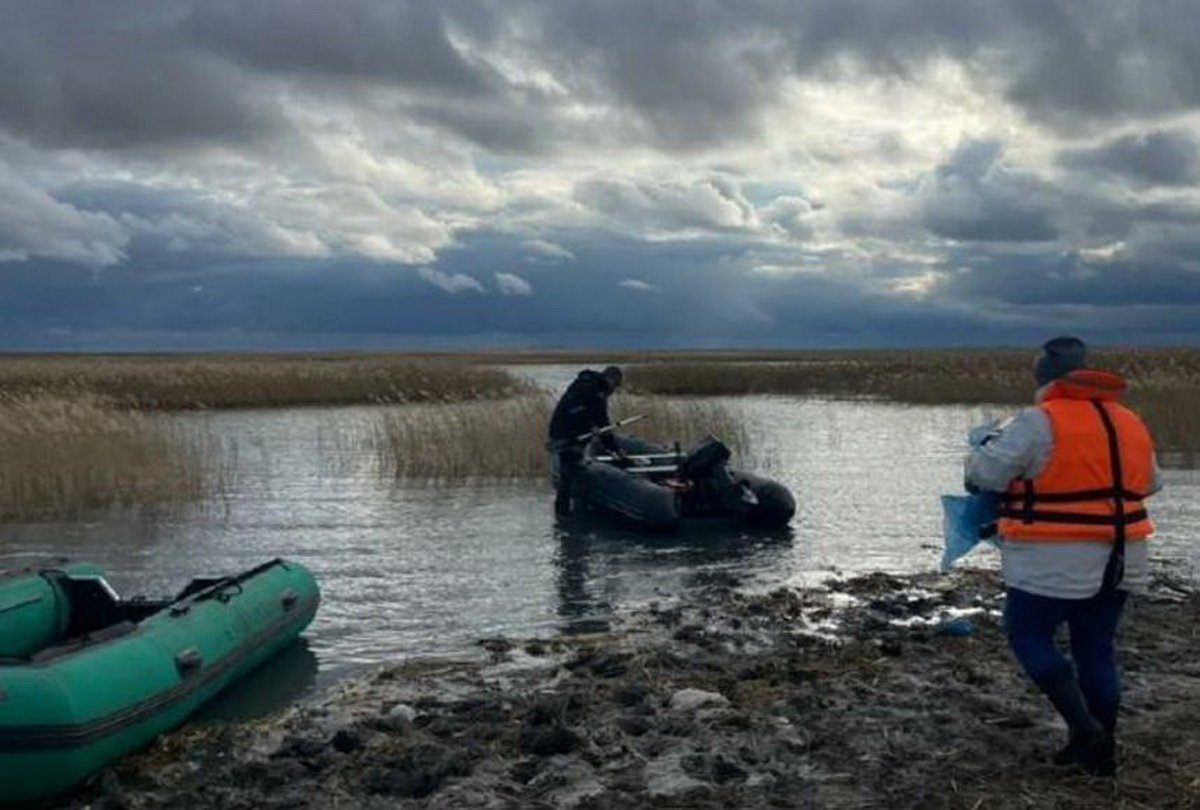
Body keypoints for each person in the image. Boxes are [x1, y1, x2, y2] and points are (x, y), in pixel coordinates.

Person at [964, 336, 1161, 776]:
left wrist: (983, 451)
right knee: (1095, 647)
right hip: (1124, 556)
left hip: (1052, 558)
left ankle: (1083, 727)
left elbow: (984, 474)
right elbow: (1150, 484)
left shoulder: (1038, 421)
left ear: (1045, 379)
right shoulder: (1130, 421)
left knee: (1027, 635)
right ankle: (1100, 748)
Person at [547, 365, 625, 515]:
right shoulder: (595, 391)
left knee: (566, 475)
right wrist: (592, 428)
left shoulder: (585, 384)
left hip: (561, 432)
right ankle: (577, 516)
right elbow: (600, 421)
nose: (613, 391)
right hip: (568, 436)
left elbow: (594, 419)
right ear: (611, 380)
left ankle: (562, 515)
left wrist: (611, 445)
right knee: (578, 474)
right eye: (615, 385)